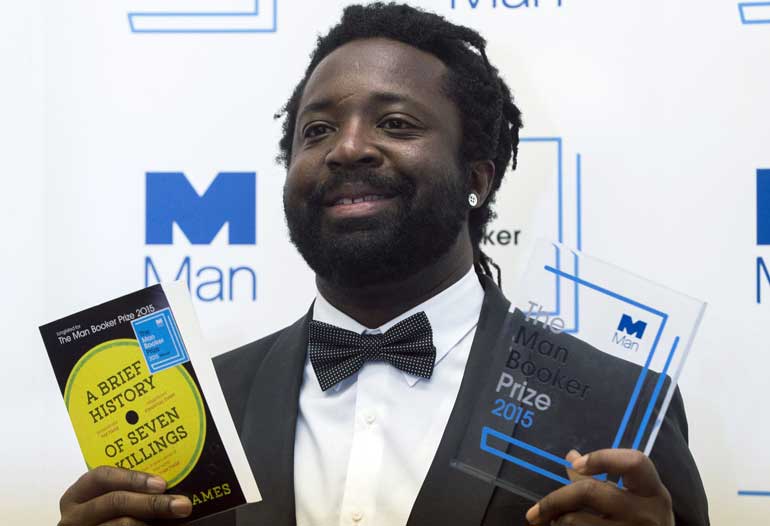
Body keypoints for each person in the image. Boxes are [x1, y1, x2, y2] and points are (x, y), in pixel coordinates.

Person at [57, 3, 709, 525]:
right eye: (316, 131)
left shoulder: (619, 406)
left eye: (395, 123)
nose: (346, 148)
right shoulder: (202, 410)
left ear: (477, 177)